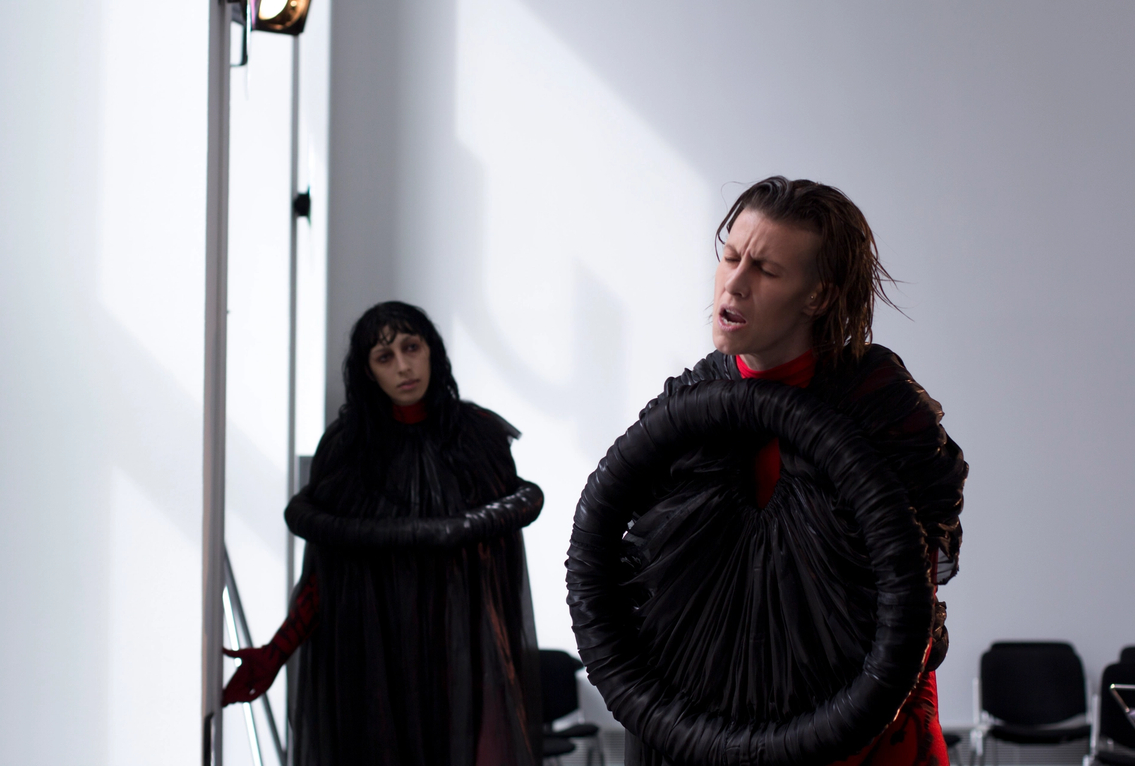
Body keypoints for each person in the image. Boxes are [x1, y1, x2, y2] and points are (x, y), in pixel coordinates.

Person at [575, 177, 966, 766]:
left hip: (852, 734)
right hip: (694, 726)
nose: (734, 283)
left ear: (817, 297)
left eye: (766, 270)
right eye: (731, 256)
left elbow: (909, 589)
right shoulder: (686, 408)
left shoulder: (882, 410)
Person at [223, 301, 543, 766]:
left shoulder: (478, 439)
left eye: (411, 348)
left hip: (466, 664)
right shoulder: (349, 449)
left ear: (431, 350)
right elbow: (326, 575)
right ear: (368, 371)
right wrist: (276, 651)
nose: (404, 367)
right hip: (374, 667)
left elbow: (501, 570)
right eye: (384, 357)